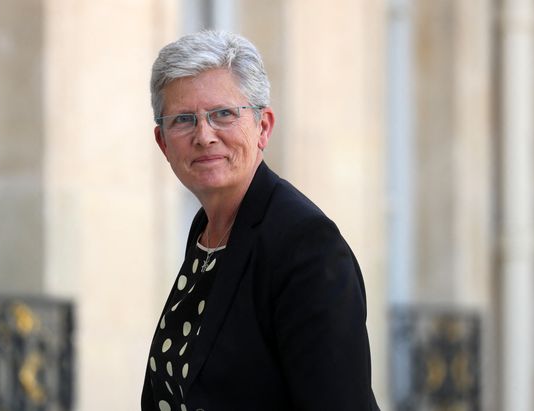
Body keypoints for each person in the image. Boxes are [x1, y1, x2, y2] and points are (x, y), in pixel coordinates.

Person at [142, 30, 379, 411]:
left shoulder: (307, 245)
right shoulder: (207, 235)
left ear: (263, 127)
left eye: (223, 114)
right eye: (184, 119)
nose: (204, 136)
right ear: (163, 142)